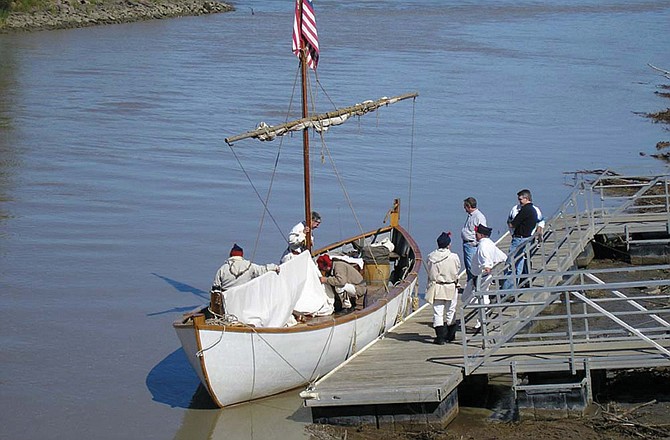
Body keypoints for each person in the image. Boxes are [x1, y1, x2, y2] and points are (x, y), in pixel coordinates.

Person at [210, 244, 280, 314]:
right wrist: (274, 267)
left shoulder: (223, 269)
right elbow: (263, 270)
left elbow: (215, 288)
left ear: (231, 255)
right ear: (241, 255)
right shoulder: (249, 266)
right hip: (245, 300)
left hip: (227, 302)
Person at [466, 225, 507, 329]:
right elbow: (502, 257)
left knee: (473, 298)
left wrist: (487, 268)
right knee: (482, 297)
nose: (475, 236)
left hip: (481, 276)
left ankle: (482, 318)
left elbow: (486, 261)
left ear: (481, 235)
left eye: (476, 234)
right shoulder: (490, 243)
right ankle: (483, 315)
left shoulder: (482, 246)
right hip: (484, 276)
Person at [426, 232, 462, 344]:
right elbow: (458, 269)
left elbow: (431, 274)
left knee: (438, 312)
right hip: (451, 286)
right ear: (448, 245)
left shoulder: (431, 257)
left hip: (437, 286)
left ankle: (440, 338)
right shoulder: (454, 257)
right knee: (451, 311)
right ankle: (451, 336)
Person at [502, 189, 539, 290]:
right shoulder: (533, 210)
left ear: (526, 198)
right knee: (518, 265)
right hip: (527, 238)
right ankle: (512, 289)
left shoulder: (525, 210)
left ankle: (506, 291)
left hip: (519, 239)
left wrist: (510, 222)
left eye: (520, 199)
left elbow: (512, 224)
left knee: (510, 265)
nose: (519, 201)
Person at [461, 197, 487, 282]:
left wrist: (476, 243)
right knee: (469, 267)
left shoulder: (479, 217)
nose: (464, 209)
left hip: (472, 245)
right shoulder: (471, 216)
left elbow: (483, 231)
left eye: (465, 207)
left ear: (469, 206)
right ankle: (470, 284)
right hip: (467, 244)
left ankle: (474, 286)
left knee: (471, 267)